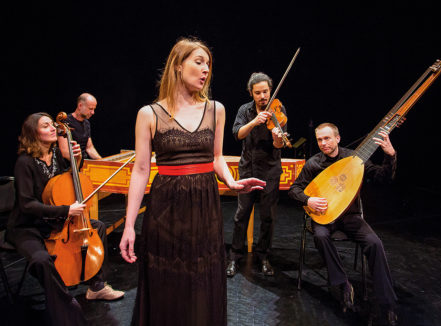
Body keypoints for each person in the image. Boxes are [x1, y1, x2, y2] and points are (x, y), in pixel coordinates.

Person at [119, 37, 265, 326]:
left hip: (204, 206)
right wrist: (128, 227)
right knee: (166, 278)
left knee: (202, 278)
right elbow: (140, 170)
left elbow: (217, 157)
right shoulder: (149, 114)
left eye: (208, 64)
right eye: (198, 62)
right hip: (165, 207)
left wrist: (231, 182)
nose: (205, 70)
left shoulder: (216, 109)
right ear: (177, 65)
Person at [6, 112, 124, 326]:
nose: (53, 128)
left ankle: (97, 287)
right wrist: (64, 211)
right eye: (45, 126)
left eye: (53, 125)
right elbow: (27, 204)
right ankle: (64, 304)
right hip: (28, 226)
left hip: (54, 223)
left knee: (97, 228)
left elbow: (68, 183)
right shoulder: (25, 163)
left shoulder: (58, 157)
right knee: (41, 260)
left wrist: (76, 161)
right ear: (33, 133)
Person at [288, 122, 398, 325]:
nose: (323, 143)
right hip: (325, 216)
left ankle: (387, 302)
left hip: (351, 217)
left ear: (337, 138)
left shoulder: (354, 159)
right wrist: (308, 200)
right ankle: (343, 284)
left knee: (375, 243)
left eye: (327, 138)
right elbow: (294, 189)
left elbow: (382, 178)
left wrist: (390, 156)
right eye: (320, 139)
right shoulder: (313, 163)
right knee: (320, 236)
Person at [226, 72, 287, 277]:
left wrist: (277, 138)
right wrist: (254, 122)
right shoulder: (245, 110)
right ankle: (234, 257)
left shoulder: (278, 109)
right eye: (258, 92)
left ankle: (264, 257)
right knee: (241, 215)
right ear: (251, 93)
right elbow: (237, 134)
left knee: (267, 217)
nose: (263, 96)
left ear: (270, 90)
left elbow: (280, 145)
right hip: (247, 169)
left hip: (270, 170)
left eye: (266, 92)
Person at [58, 92, 102, 162]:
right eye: (90, 109)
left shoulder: (86, 123)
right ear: (80, 106)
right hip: (71, 166)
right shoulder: (65, 121)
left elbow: (89, 148)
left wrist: (103, 161)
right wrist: (78, 163)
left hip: (84, 164)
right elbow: (65, 152)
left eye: (94, 109)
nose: (93, 112)